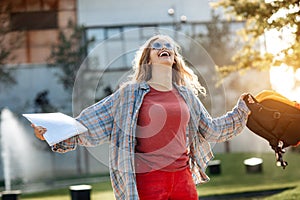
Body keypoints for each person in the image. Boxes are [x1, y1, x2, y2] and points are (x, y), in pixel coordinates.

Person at [32, 34, 254, 200]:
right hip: (149, 179)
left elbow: (211, 129)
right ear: (148, 59)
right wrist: (52, 133)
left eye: (169, 46)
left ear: (175, 58)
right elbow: (90, 122)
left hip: (182, 178)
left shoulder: (186, 95)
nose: (164, 48)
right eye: (156, 46)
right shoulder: (130, 93)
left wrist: (242, 109)